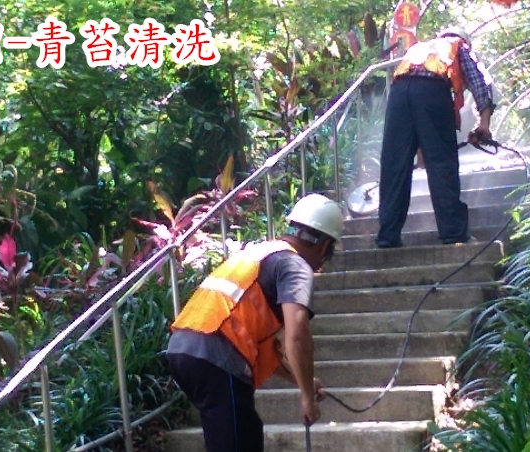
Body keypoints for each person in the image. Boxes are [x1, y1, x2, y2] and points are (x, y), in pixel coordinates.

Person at [166, 193, 345, 452]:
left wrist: (303, 381)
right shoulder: (295, 266)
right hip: (217, 356)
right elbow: (297, 335)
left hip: (183, 350)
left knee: (243, 435)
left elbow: (264, 347)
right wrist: (307, 398)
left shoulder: (260, 253)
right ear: (325, 246)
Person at [376, 26, 495, 248]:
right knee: (442, 163)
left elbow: (413, 94)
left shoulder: (419, 48)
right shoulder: (459, 46)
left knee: (394, 165)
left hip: (398, 95)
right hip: (432, 91)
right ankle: (453, 233)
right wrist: (484, 124)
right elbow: (480, 83)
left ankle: (387, 236)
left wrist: (421, 148)